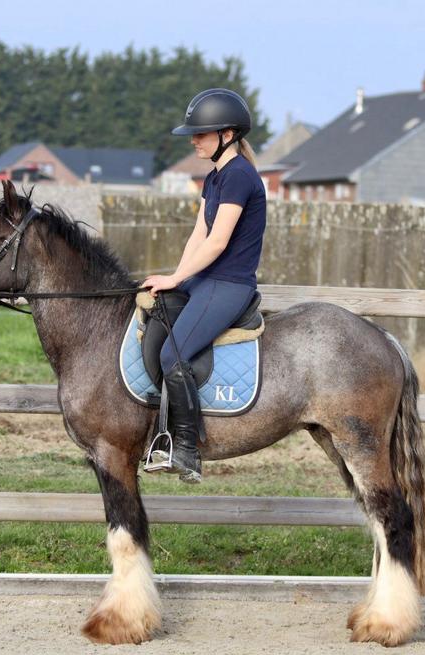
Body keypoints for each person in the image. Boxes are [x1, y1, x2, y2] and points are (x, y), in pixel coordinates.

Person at [141, 88, 267, 483]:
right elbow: (198, 234)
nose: (194, 140)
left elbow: (218, 241)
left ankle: (187, 449)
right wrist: (174, 278)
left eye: (201, 133)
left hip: (228, 284)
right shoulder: (215, 177)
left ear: (227, 134)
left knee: (172, 355)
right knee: (155, 319)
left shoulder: (240, 177)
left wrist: (178, 278)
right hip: (204, 279)